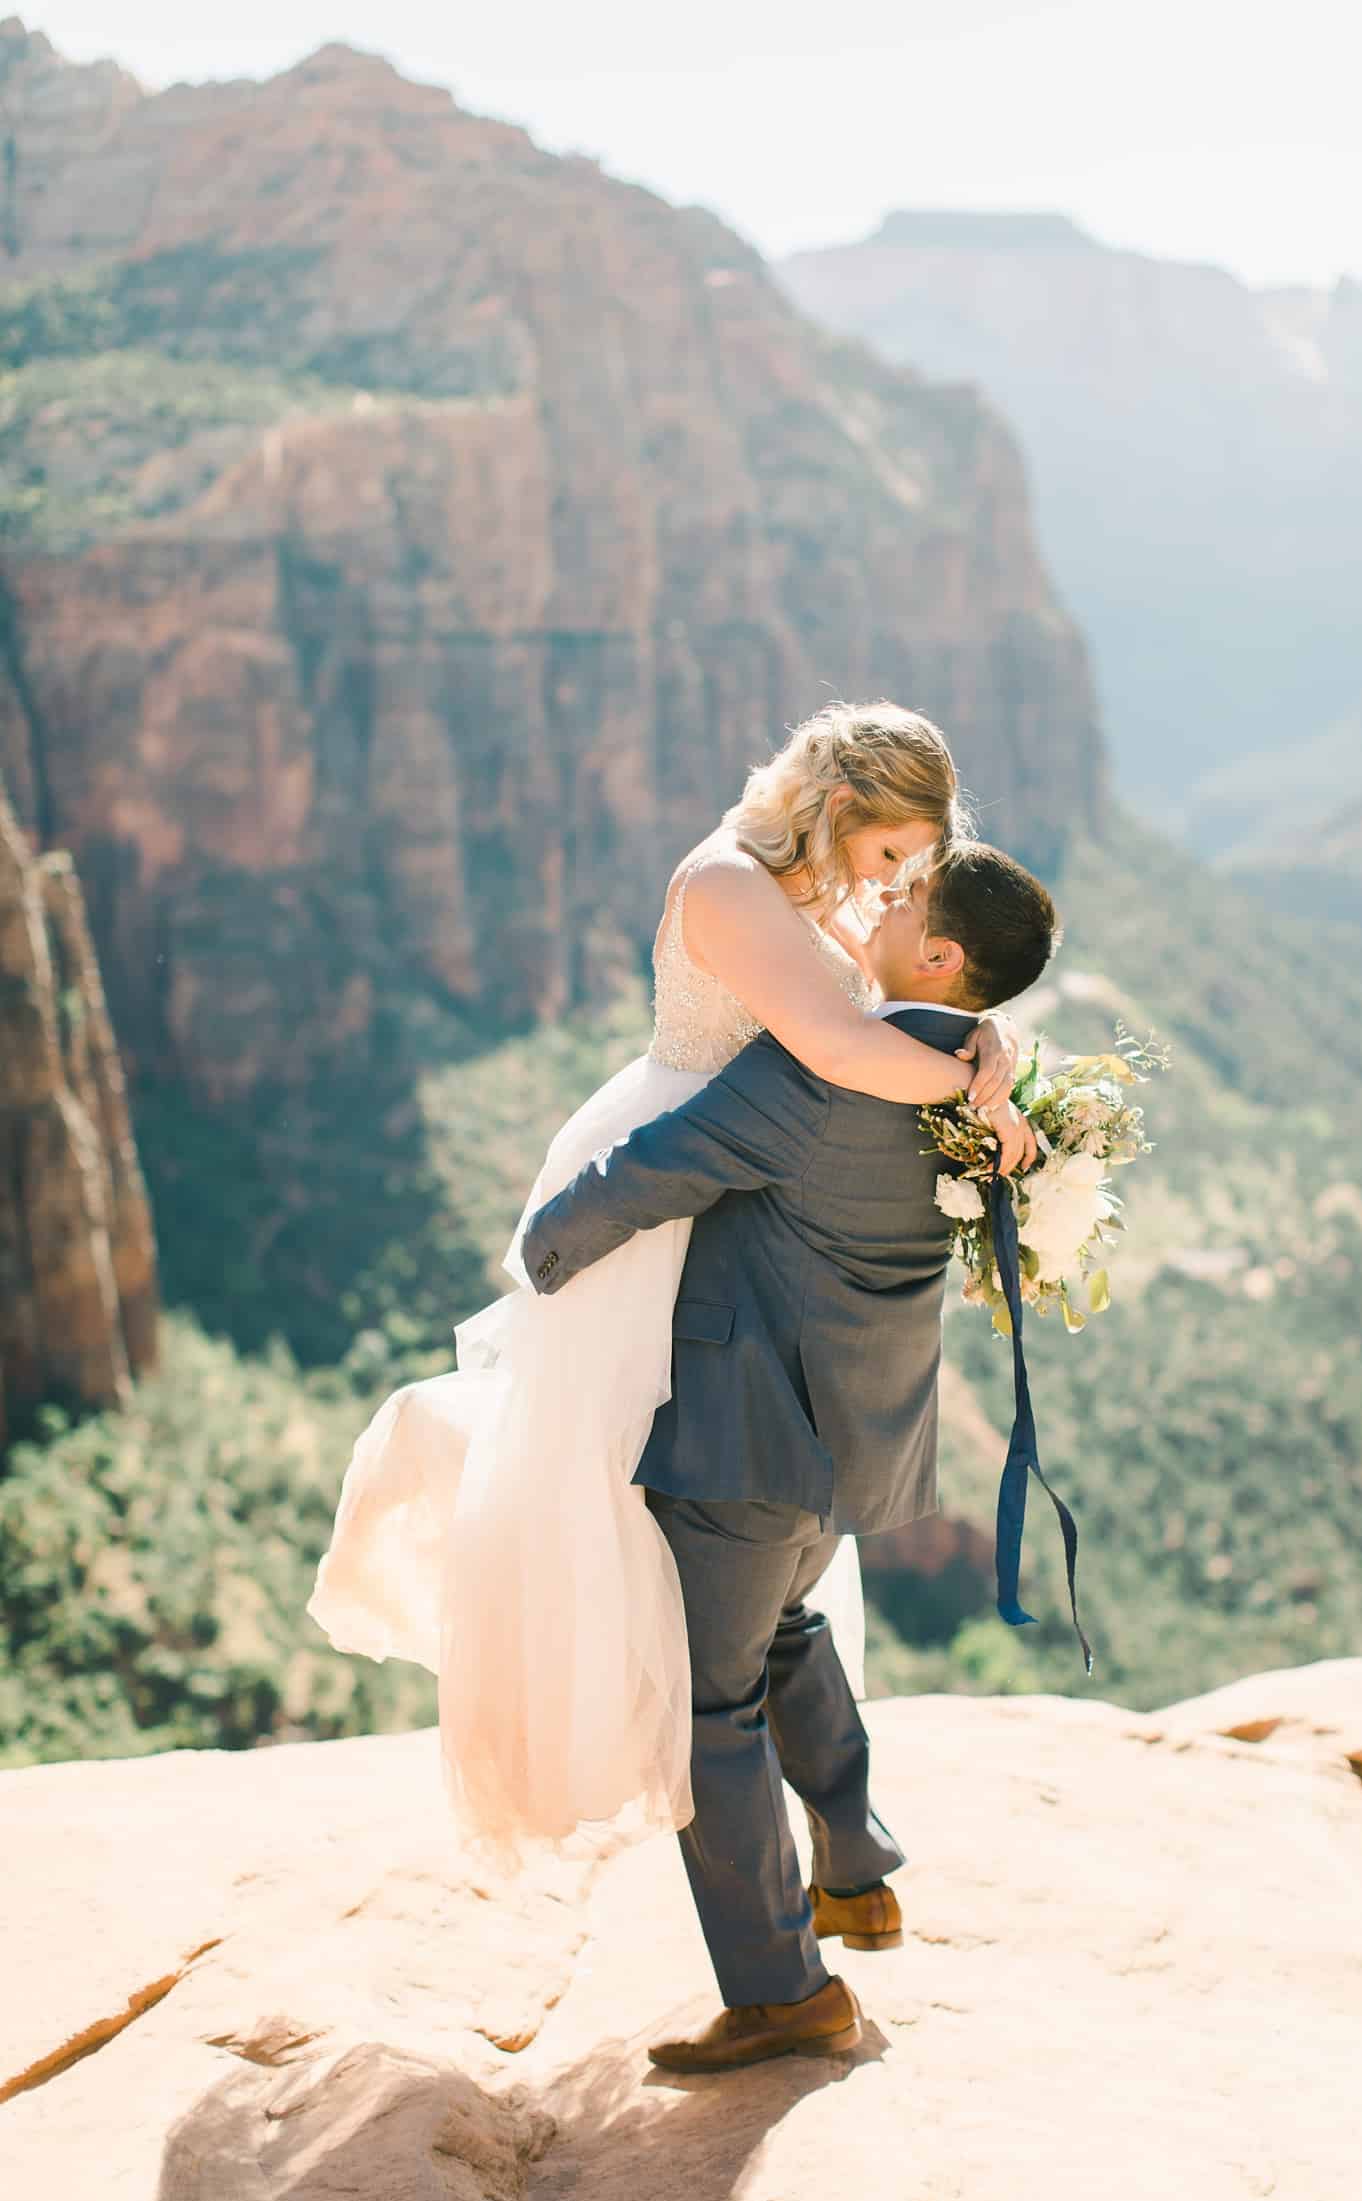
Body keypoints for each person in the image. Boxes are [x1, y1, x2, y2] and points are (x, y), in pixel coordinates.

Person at [308, 702, 1033, 1865]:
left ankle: (835, 1854)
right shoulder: (729, 884)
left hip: (749, 1198)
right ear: (845, 809)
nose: (899, 886)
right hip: (672, 1177)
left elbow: (886, 1001)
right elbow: (842, 1051)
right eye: (895, 853)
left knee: (746, 1560)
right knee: (617, 1487)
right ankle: (693, 1774)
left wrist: (979, 1040)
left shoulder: (828, 887)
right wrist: (977, 1090)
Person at [520, 843, 1060, 2071]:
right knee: (784, 1631)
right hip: (854, 1445)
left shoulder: (818, 1074)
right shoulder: (975, 1085)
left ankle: (781, 1994)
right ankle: (858, 1870)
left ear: (940, 958)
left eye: (905, 897)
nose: (879, 895)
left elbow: (659, 1169)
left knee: (709, 1708)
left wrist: (538, 1258)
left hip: (743, 1440)